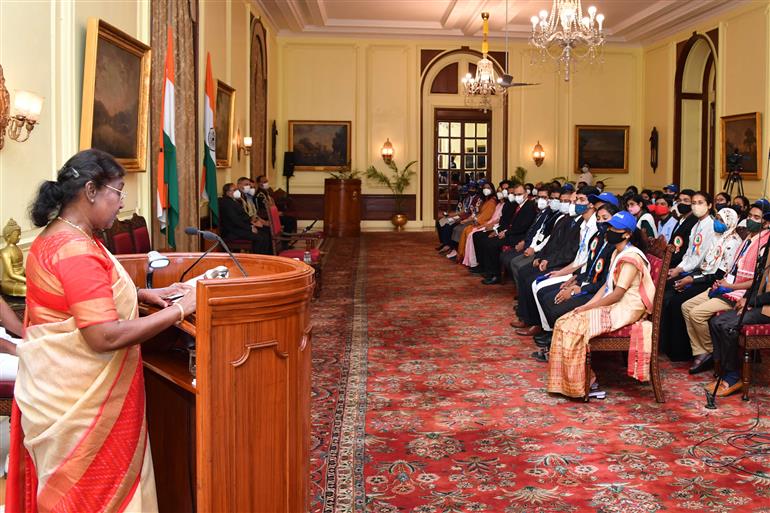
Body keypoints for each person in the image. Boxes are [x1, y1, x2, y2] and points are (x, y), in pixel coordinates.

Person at [7, 149, 197, 512]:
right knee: (94, 498)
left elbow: (73, 299)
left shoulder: (56, 236)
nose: (120, 204)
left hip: (54, 390)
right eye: (118, 192)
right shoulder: (76, 249)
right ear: (91, 190)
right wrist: (178, 310)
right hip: (82, 406)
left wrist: (142, 294)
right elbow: (103, 336)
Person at [547, 211, 655, 398]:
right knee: (564, 321)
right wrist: (587, 305)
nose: (609, 230)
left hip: (626, 308)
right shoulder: (617, 252)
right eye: (610, 226)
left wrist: (587, 309)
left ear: (627, 234)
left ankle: (590, 383)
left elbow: (617, 293)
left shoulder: (631, 258)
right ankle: (570, 381)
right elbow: (607, 285)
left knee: (575, 327)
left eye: (614, 228)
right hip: (615, 303)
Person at [681, 202, 770, 374]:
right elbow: (733, 269)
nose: (751, 220)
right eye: (750, 216)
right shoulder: (748, 240)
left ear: (765, 223)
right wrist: (723, 282)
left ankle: (713, 354)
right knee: (686, 307)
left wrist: (731, 286)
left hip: (740, 292)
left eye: (756, 218)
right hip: (729, 286)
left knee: (701, 316)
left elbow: (756, 281)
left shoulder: (763, 245)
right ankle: (704, 351)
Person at [659, 207, 741, 361]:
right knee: (671, 293)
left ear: (730, 222)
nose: (717, 222)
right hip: (704, 276)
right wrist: (690, 276)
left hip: (716, 283)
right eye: (716, 218)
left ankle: (691, 352)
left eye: (721, 220)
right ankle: (692, 350)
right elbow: (704, 264)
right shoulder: (719, 237)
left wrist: (692, 279)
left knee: (678, 301)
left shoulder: (733, 242)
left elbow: (718, 275)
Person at [219, 183, 271, 254]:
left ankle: (266, 256)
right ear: (227, 192)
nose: (237, 191)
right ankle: (257, 259)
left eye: (236, 189)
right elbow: (235, 220)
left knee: (265, 232)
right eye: (234, 190)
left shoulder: (233, 200)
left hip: (241, 228)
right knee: (260, 238)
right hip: (233, 231)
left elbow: (243, 216)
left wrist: (252, 222)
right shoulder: (226, 203)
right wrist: (250, 228)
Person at [1, 218, 26, 296]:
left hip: (21, 279)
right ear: (8, 236)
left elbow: (21, 268)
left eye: (20, 235)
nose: (19, 237)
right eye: (17, 235)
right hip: (9, 281)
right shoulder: (5, 252)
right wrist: (27, 280)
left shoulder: (18, 248)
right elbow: (11, 274)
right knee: (25, 289)